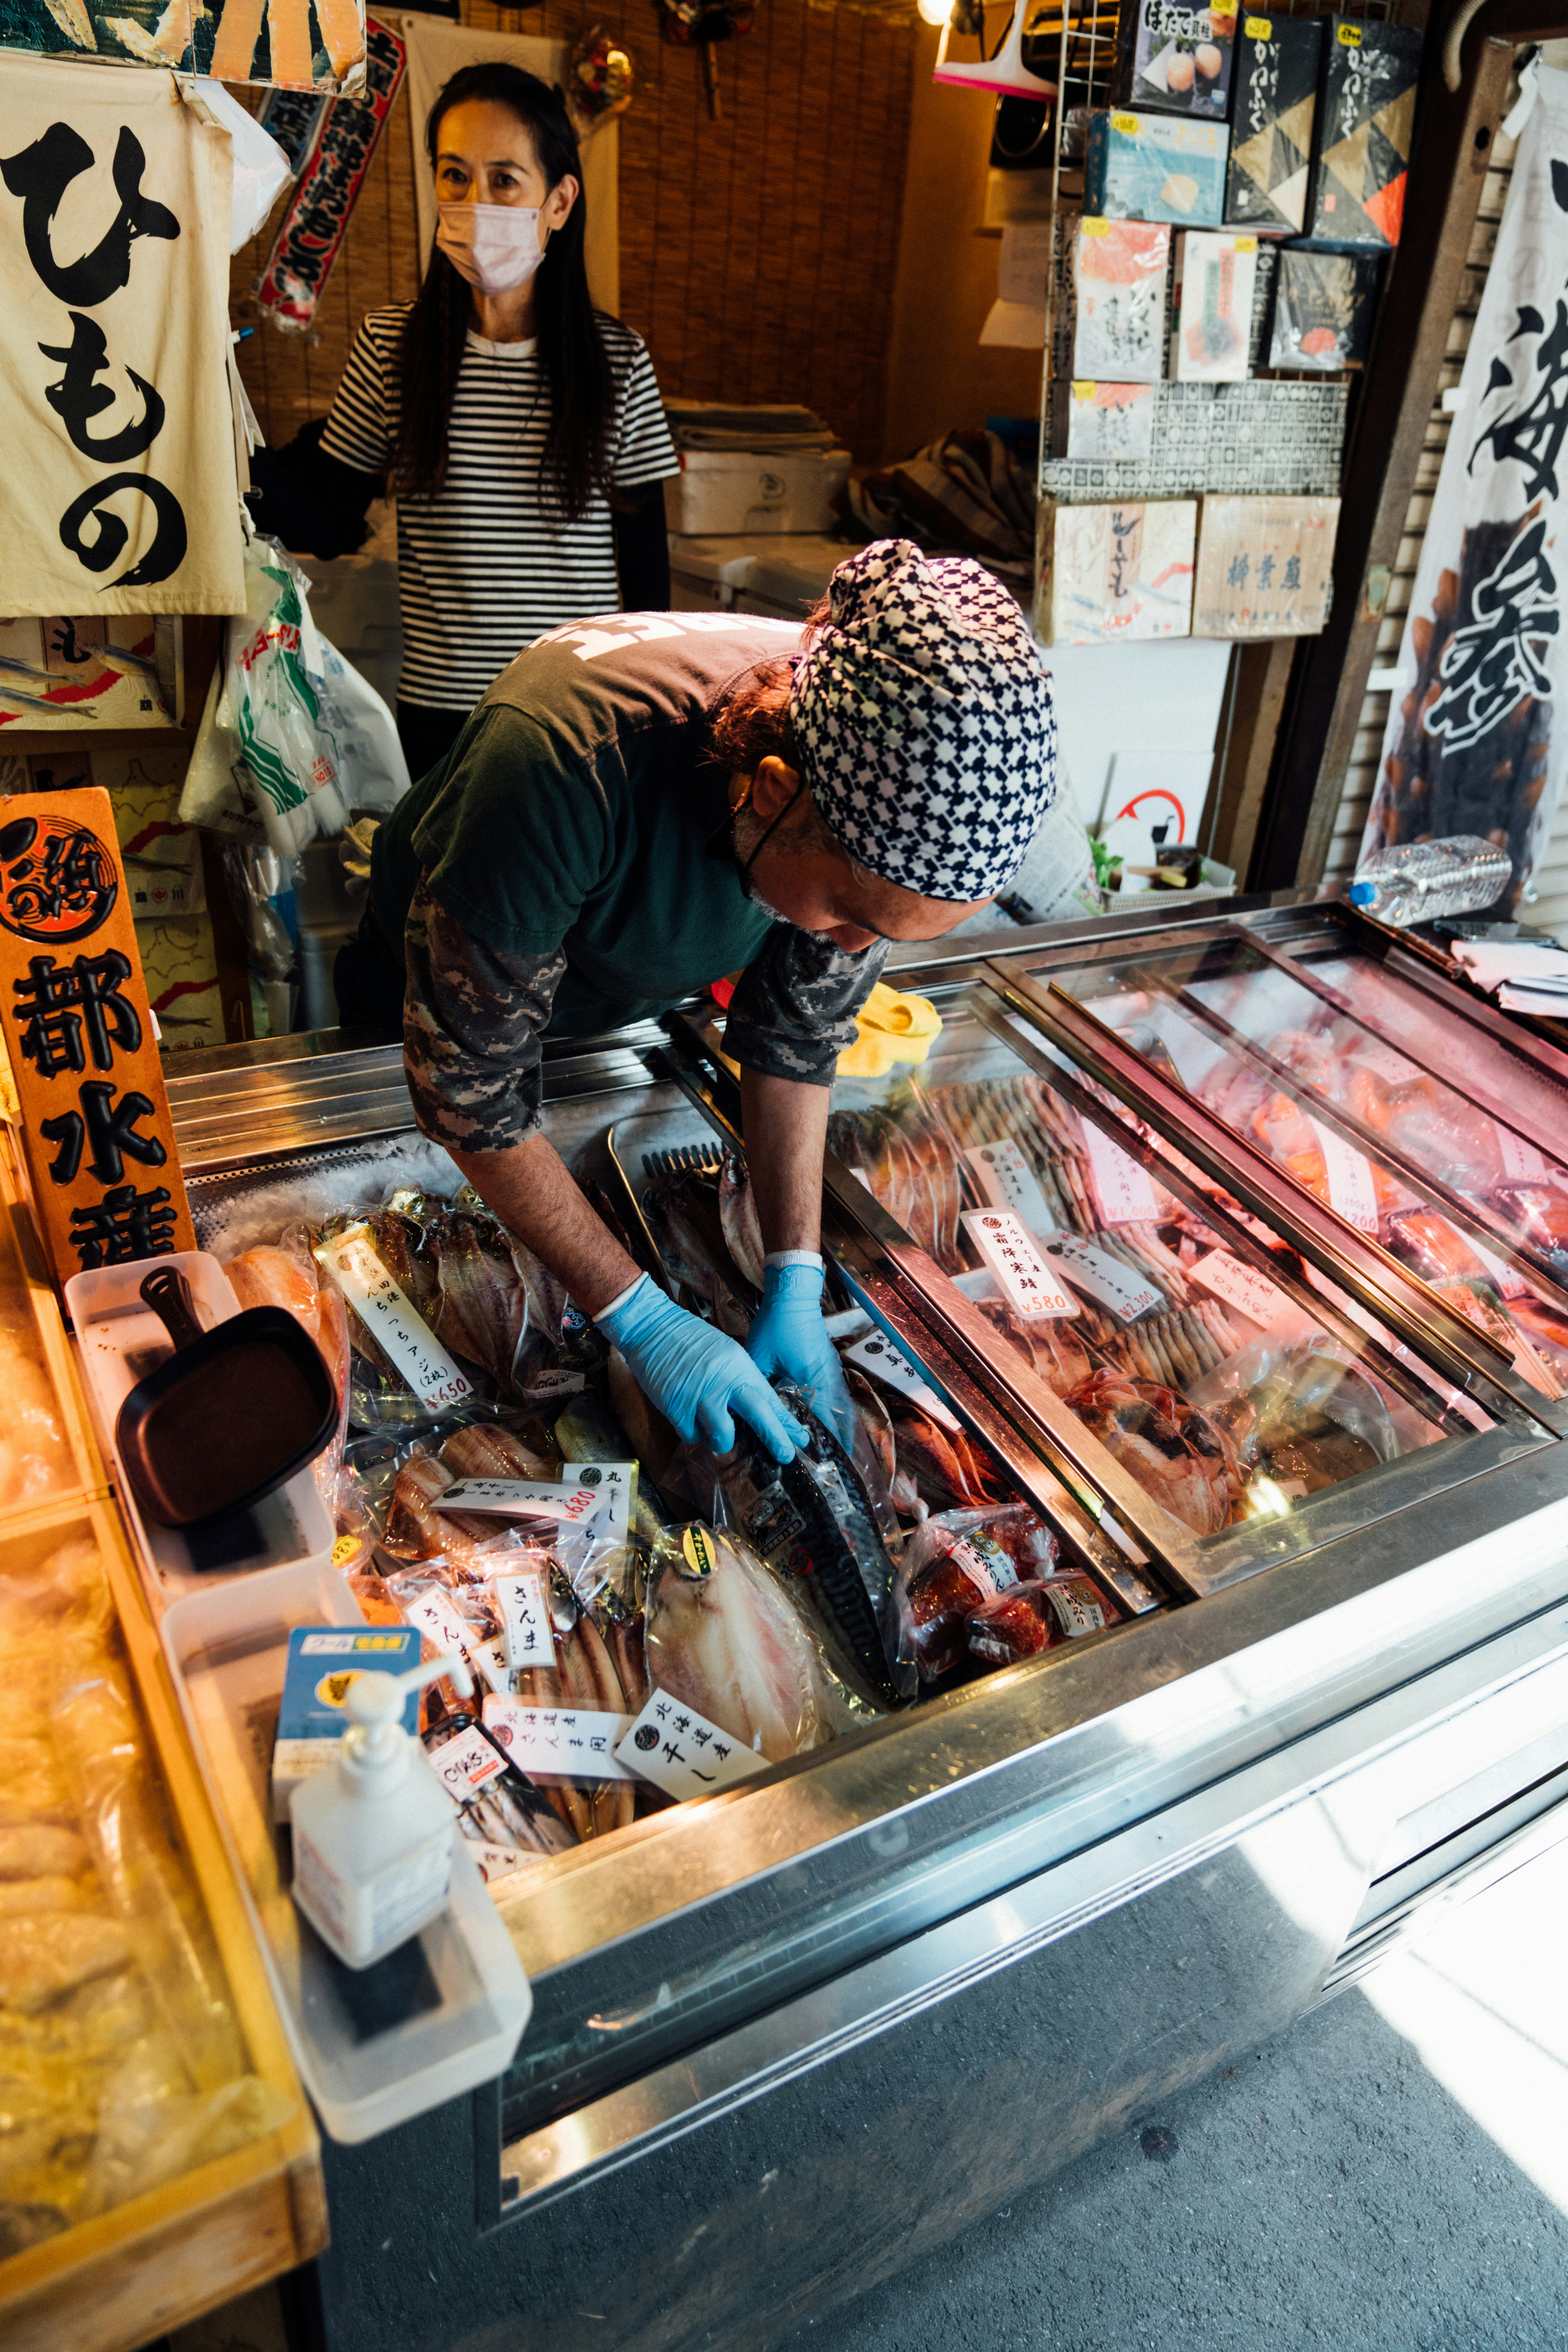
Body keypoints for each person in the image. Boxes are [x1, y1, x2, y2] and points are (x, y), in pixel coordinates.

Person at [349, 538, 1057, 1465]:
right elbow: (470, 1094)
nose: (853, 947)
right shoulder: (564, 758)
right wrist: (643, 1319)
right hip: (437, 1005)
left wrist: (793, 1269)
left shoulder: (855, 775)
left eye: (886, 932)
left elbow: (798, 1036)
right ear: (772, 794)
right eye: (850, 914)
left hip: (607, 1002)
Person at [247, 63, 678, 778]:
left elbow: (646, 575)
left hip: (584, 719)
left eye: (505, 180)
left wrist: (656, 725)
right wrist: (216, 445)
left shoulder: (617, 360)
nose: (475, 201)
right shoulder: (392, 345)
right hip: (442, 721)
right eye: (454, 175)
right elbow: (327, 519)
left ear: (559, 201)